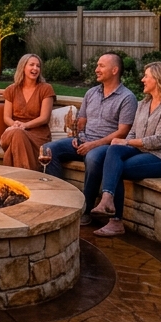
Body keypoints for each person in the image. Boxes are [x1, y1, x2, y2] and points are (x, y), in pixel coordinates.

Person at [92, 61, 161, 237]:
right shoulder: (144, 103)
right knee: (113, 151)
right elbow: (133, 132)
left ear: (159, 79)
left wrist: (126, 143)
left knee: (116, 167)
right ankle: (107, 200)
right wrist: (122, 144)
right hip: (142, 151)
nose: (142, 79)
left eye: (146, 76)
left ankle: (115, 220)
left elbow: (160, 141)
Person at [42, 53, 137, 222]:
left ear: (114, 70)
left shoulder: (127, 98)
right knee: (48, 149)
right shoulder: (91, 93)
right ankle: (58, 198)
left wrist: (93, 144)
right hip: (84, 140)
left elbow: (122, 132)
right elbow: (81, 122)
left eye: (101, 66)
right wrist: (78, 135)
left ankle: (86, 209)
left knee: (93, 158)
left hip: (107, 146)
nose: (96, 69)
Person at [1, 54, 55, 169]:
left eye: (38, 66)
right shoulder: (11, 89)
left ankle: (14, 179)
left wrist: (24, 126)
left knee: (17, 138)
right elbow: (6, 117)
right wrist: (15, 125)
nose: (35, 68)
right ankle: (27, 178)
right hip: (13, 131)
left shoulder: (46, 89)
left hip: (38, 136)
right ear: (23, 67)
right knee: (17, 134)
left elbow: (44, 118)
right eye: (31, 65)